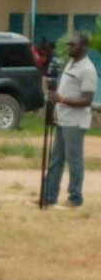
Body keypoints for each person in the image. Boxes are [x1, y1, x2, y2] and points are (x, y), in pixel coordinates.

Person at [43, 32, 98, 209]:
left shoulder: (87, 69)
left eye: (72, 44)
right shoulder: (71, 64)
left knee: (74, 160)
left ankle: (75, 198)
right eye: (68, 44)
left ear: (83, 47)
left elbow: (87, 100)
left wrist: (62, 99)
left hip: (75, 122)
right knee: (56, 159)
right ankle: (48, 197)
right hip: (63, 119)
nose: (69, 47)